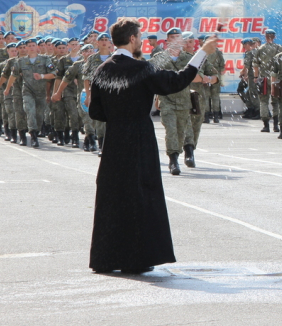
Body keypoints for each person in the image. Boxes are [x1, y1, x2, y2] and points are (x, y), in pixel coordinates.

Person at [88, 19, 218, 274]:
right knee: (139, 194)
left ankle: (106, 258)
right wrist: (202, 52)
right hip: (138, 138)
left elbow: (96, 111)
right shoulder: (141, 68)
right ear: (133, 39)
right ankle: (136, 258)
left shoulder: (102, 69)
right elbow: (176, 82)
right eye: (140, 35)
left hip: (113, 139)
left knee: (112, 196)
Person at [149, 28, 195, 175]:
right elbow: (147, 74)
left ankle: (180, 152)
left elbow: (198, 75)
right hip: (166, 100)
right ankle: (173, 161)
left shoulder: (188, 58)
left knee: (181, 132)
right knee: (171, 130)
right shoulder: (159, 57)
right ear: (167, 41)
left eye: (178, 37)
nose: (176, 40)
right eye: (172, 37)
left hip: (183, 101)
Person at [4, 38, 56, 148]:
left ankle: (35, 132)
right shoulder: (20, 61)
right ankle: (33, 137)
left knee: (39, 115)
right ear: (26, 48)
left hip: (41, 92)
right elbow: (13, 75)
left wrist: (42, 76)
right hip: (27, 91)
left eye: (33, 45)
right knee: (30, 111)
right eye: (29, 46)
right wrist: (7, 88)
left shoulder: (45, 59)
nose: (32, 47)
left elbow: (54, 74)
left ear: (37, 47)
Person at [186, 35, 218, 154]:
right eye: (186, 42)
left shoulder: (202, 59)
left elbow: (216, 76)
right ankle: (186, 150)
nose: (188, 44)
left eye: (191, 42)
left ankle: (191, 150)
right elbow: (194, 77)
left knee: (196, 126)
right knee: (185, 126)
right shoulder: (179, 59)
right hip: (181, 98)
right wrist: (200, 78)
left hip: (198, 99)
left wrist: (208, 78)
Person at [254, 29, 282, 132]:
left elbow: (256, 65)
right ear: (274, 37)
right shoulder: (279, 48)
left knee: (263, 101)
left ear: (266, 37)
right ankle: (276, 125)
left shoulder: (260, 49)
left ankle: (266, 125)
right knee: (276, 102)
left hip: (263, 79)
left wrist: (255, 77)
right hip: (276, 79)